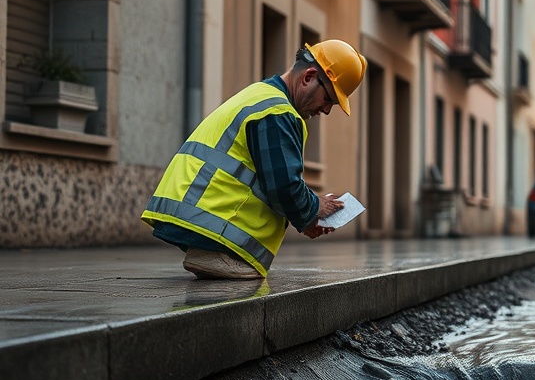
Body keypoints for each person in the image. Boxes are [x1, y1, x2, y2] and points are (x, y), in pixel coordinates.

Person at [141, 40, 367, 280]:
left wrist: (307, 219)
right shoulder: (277, 112)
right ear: (308, 77)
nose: (327, 110)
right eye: (328, 98)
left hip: (190, 211)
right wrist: (314, 208)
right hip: (212, 224)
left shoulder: (259, 95)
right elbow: (283, 186)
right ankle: (213, 252)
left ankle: (210, 250)